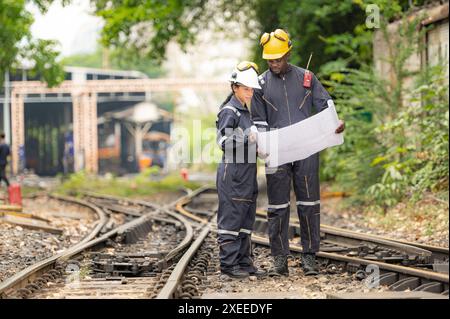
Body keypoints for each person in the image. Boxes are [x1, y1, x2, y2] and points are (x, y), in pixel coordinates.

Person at [251, 29, 345, 276]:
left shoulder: (307, 78)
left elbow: (326, 107)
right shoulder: (259, 86)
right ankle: (280, 260)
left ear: (288, 53)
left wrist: (335, 123)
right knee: (278, 207)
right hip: (276, 153)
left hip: (306, 150)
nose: (274, 63)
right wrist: (262, 145)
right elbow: (259, 121)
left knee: (309, 203)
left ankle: (309, 256)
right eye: (270, 60)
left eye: (278, 59)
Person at [216, 61, 266, 279]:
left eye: (252, 89)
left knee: (245, 220)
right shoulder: (230, 111)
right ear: (235, 87)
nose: (250, 92)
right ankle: (228, 265)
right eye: (246, 88)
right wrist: (247, 137)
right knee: (232, 219)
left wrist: (260, 148)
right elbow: (224, 141)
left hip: (247, 174)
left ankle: (244, 262)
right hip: (233, 174)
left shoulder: (244, 112)